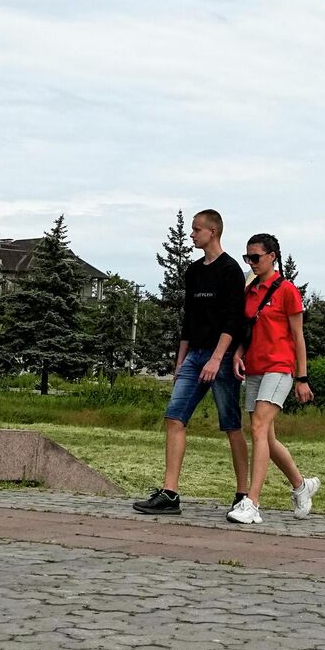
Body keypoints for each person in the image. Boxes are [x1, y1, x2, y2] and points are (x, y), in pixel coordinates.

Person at [132, 209, 249, 515]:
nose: (192, 234)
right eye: (192, 230)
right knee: (174, 418)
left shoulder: (230, 270)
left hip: (219, 357)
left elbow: (234, 320)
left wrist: (217, 357)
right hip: (194, 356)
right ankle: (170, 493)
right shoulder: (194, 272)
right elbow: (189, 320)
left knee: (231, 425)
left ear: (213, 232)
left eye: (197, 230)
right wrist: (180, 360)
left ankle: (243, 494)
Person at [227, 233, 319, 524]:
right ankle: (301, 485)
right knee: (266, 435)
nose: (251, 263)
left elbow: (298, 337)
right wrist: (238, 353)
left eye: (256, 257)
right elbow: (248, 329)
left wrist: (302, 378)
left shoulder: (288, 291)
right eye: (247, 258)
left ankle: (251, 503)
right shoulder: (250, 290)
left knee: (258, 426)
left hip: (280, 368)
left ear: (272, 256)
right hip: (254, 367)